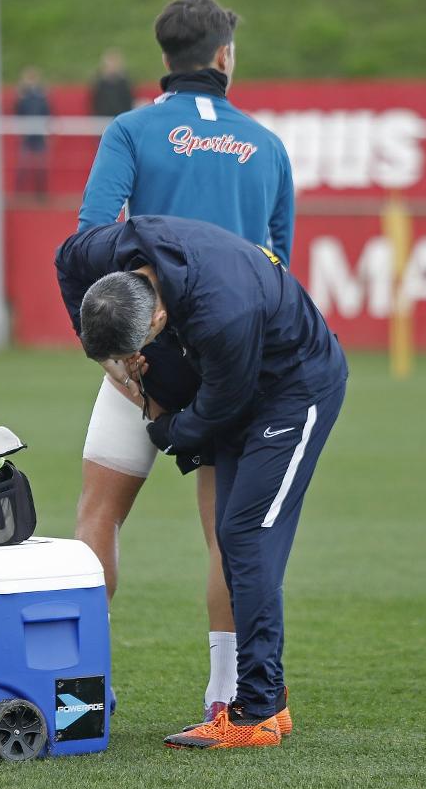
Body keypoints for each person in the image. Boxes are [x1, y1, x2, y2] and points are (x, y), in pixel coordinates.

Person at [72, 0, 297, 722]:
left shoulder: (131, 130)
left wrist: (118, 354)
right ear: (225, 55)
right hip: (228, 365)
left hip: (142, 358)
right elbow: (277, 271)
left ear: (164, 60)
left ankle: (84, 692)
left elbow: (88, 242)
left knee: (97, 518)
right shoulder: (266, 145)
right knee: (225, 536)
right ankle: (225, 694)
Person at [56, 215, 347, 749]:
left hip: (291, 388)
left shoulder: (222, 315)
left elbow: (217, 411)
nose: (124, 363)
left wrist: (162, 423)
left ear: (160, 316)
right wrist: (112, 361)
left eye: (131, 350)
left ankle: (256, 710)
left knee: (245, 534)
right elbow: (64, 262)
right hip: (238, 374)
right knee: (234, 532)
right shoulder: (99, 255)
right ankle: (268, 701)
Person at [13, 66, 51, 198]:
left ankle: (41, 194)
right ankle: (18, 193)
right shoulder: (22, 95)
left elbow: (47, 112)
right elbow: (17, 113)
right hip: (27, 133)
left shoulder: (42, 95)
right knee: (23, 165)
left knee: (41, 165)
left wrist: (47, 131)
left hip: (39, 134)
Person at [89, 47, 134, 117]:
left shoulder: (125, 82)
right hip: (102, 117)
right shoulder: (99, 83)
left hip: (121, 116)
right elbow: (94, 102)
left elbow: (129, 101)